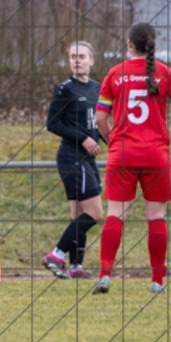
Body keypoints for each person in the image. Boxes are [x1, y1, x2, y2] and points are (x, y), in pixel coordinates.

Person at [92, 22, 171, 295]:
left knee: (115, 214)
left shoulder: (114, 74)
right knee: (156, 216)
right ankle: (157, 281)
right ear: (152, 46)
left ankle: (104, 275)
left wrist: (113, 140)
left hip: (122, 154)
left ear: (129, 44)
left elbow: (100, 118)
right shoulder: (165, 73)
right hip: (156, 154)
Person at [42, 40, 103, 280]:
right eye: (72, 56)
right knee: (95, 213)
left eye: (81, 56)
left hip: (88, 158)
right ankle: (56, 256)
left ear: (91, 61)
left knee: (79, 215)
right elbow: (52, 123)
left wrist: (107, 138)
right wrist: (83, 138)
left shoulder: (98, 88)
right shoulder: (65, 89)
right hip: (71, 157)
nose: (76, 60)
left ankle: (76, 266)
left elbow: (98, 121)